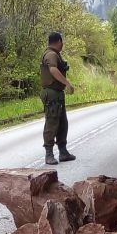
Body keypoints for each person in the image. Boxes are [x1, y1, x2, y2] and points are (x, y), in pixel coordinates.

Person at [39, 32, 76, 165]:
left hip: (57, 93)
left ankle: (63, 152)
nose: (63, 44)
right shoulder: (51, 54)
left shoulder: (54, 54)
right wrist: (67, 83)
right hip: (52, 93)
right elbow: (53, 69)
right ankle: (49, 154)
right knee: (52, 123)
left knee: (62, 123)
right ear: (59, 41)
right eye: (62, 41)